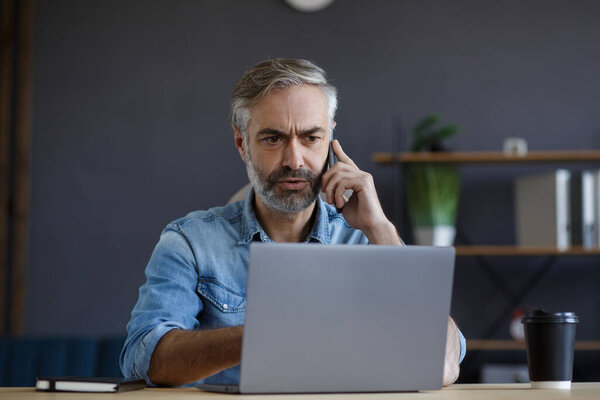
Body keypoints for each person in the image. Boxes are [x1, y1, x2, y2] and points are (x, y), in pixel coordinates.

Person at [120, 58, 466, 388]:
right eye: (273, 139)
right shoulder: (190, 242)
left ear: (330, 140)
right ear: (242, 144)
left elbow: (445, 363)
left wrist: (382, 230)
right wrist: (262, 336)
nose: (294, 160)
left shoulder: (366, 239)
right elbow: (142, 357)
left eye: (310, 138)